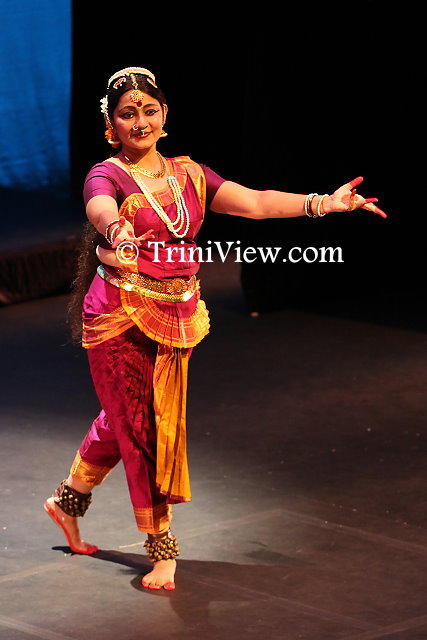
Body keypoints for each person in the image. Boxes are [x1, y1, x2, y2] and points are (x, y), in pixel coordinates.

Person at [44, 66, 386, 591]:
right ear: (111, 125)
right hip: (120, 314)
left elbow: (255, 203)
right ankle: (160, 546)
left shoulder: (190, 174)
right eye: (128, 114)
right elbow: (100, 207)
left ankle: (67, 502)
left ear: (165, 115)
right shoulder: (106, 175)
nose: (140, 121)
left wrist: (323, 203)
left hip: (175, 312)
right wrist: (116, 229)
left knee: (128, 415)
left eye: (149, 110)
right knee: (144, 426)